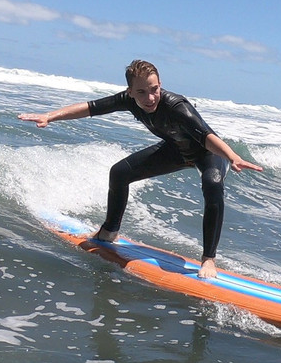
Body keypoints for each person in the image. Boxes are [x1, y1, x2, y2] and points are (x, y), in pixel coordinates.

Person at [19, 59, 263, 279]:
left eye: (154, 89)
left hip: (209, 153)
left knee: (212, 184)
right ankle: (109, 231)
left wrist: (232, 156)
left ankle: (209, 259)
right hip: (176, 151)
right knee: (119, 172)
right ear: (130, 92)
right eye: (142, 92)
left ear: (160, 85)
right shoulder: (128, 100)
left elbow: (207, 137)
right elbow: (91, 107)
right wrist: (50, 116)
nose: (150, 98)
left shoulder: (177, 107)